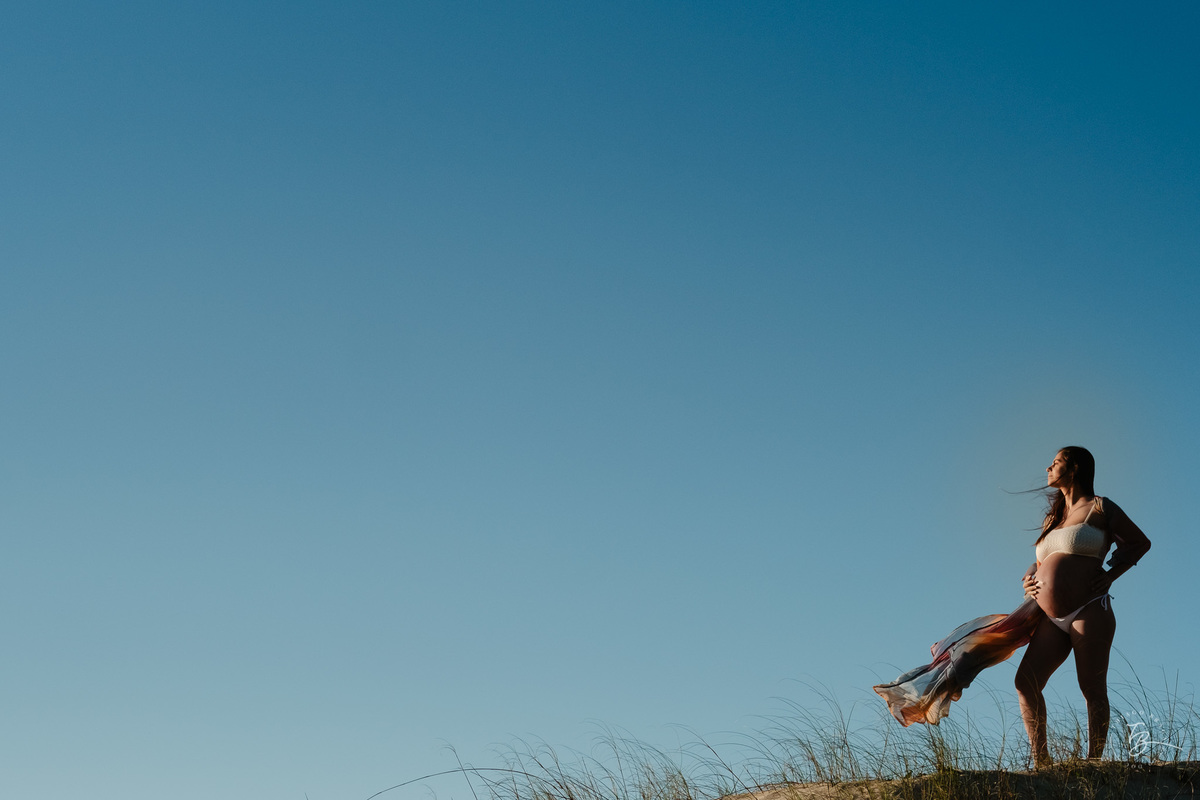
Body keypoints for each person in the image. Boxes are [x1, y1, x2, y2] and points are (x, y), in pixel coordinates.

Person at [1016, 446, 1151, 766]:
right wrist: (1029, 577)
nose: (1048, 468)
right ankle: (1042, 762)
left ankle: (1093, 762)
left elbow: (1139, 542)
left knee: (1091, 687)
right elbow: (1042, 560)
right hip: (1051, 617)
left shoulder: (1101, 507)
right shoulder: (1053, 517)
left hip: (1089, 610)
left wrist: (1112, 576)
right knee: (1025, 683)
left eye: (1056, 463)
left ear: (1074, 469)